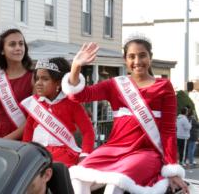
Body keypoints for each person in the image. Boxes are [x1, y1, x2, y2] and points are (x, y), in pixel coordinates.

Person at [61, 36, 189, 193]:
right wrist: (76, 66)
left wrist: (172, 169)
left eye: (142, 55)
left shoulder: (164, 86)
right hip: (114, 148)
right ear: (125, 59)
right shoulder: (115, 85)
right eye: (131, 56)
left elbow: (169, 130)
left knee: (117, 183)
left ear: (150, 57)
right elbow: (78, 96)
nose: (137, 61)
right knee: (78, 176)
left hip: (146, 153)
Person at [21, 57, 95, 167]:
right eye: (37, 79)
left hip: (63, 156)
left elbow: (88, 131)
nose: (38, 83)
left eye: (45, 79)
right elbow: (28, 129)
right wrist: (25, 153)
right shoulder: (36, 103)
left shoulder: (72, 103)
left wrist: (84, 156)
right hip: (36, 153)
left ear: (59, 83)